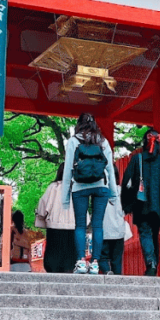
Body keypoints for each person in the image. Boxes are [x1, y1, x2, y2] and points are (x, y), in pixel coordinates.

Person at [61, 112, 118, 275]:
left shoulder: (73, 141)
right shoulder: (103, 141)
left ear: (78, 125)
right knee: (98, 225)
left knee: (80, 225)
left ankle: (80, 261)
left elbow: (68, 169)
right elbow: (110, 170)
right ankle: (94, 263)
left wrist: (65, 198)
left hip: (80, 186)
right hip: (101, 186)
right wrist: (114, 195)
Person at [121, 128, 160, 276]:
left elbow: (127, 181)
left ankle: (151, 263)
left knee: (145, 233)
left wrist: (126, 204)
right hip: (159, 207)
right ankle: (153, 266)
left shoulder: (137, 160)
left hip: (141, 204)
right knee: (154, 234)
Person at [35, 162, 77, 274]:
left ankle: (52, 269)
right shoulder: (76, 188)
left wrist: (40, 215)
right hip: (72, 226)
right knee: (70, 254)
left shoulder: (53, 187)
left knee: (53, 252)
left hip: (54, 226)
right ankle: (68, 269)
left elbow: (43, 206)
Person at [99, 165, 132, 275]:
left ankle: (107, 271)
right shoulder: (122, 191)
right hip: (118, 230)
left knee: (101, 257)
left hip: (103, 230)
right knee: (116, 260)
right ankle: (117, 280)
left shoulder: (99, 192)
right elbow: (126, 209)